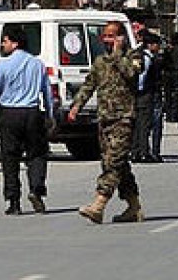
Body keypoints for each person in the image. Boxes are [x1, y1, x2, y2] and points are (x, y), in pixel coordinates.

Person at [67, 21, 145, 224]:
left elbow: (131, 73)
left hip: (123, 118)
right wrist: (77, 106)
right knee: (117, 164)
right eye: (106, 37)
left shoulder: (134, 57)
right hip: (105, 119)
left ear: (121, 37)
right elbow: (89, 84)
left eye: (112, 36)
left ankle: (99, 204)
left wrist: (119, 53)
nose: (107, 41)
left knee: (113, 163)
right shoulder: (100, 61)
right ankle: (133, 206)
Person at [0, 26, 53, 216]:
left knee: (10, 157)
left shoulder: (3, 65)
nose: (3, 44)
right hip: (32, 112)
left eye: (5, 41)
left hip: (9, 114)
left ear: (15, 43)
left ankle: (14, 201)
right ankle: (36, 189)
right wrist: (50, 114)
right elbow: (47, 92)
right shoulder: (38, 64)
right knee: (37, 154)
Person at [132, 32, 163, 163]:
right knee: (144, 124)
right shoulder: (147, 58)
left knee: (138, 124)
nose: (158, 48)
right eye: (157, 44)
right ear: (150, 45)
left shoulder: (138, 56)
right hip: (145, 95)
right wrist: (142, 90)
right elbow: (141, 77)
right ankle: (143, 152)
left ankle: (136, 151)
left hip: (138, 95)